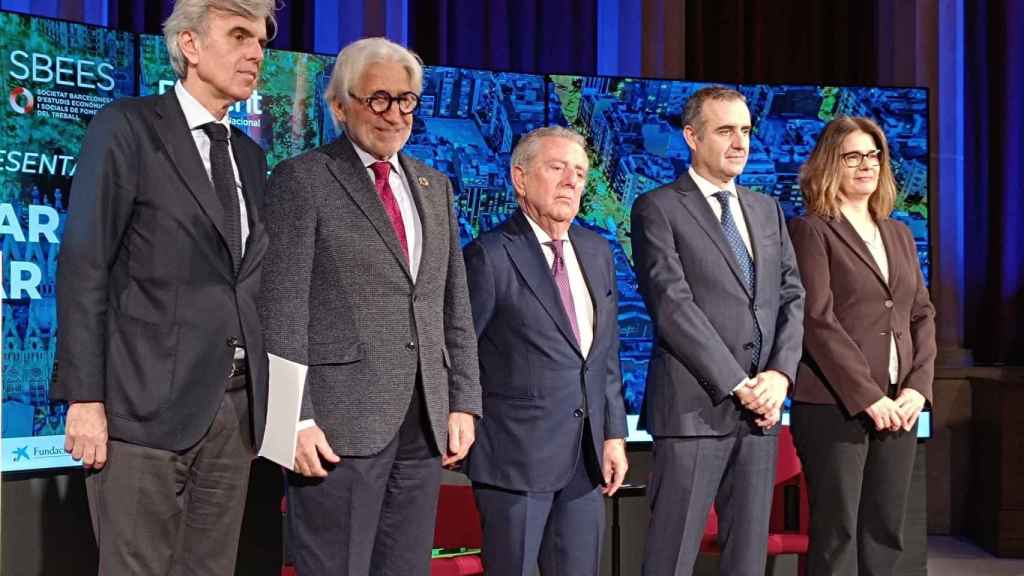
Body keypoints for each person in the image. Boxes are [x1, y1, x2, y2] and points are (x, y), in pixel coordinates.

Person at [53, 0, 277, 573]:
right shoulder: (127, 127)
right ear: (191, 46)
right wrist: (85, 398)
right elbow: (85, 266)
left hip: (232, 414)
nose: (256, 52)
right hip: (140, 407)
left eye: (261, 39)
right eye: (239, 35)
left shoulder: (251, 157)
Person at [259, 37, 481, 575]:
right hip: (336, 426)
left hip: (423, 420)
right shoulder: (302, 179)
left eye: (405, 100)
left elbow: (453, 305)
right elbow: (281, 307)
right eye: (378, 99)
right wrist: (291, 419)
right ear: (340, 106)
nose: (394, 114)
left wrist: (463, 402)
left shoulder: (436, 186)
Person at [630, 86, 805, 576]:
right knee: (671, 558)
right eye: (726, 130)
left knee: (747, 561)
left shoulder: (766, 209)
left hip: (760, 418)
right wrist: (739, 384)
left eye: (746, 130)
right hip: (692, 414)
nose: (740, 143)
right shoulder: (657, 208)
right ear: (691, 136)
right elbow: (672, 306)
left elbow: (791, 296)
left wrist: (779, 378)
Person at [462, 126, 629, 576]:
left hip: (585, 461)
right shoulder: (489, 255)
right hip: (513, 462)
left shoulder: (597, 251)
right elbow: (459, 352)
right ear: (520, 178)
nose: (572, 181)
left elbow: (604, 355)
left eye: (579, 172)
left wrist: (613, 433)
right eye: (557, 168)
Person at [787, 116, 936, 576]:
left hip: (900, 406)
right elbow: (817, 320)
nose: (866, 165)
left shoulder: (899, 234)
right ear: (831, 164)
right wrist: (869, 396)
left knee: (886, 532)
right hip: (835, 407)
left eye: (874, 155)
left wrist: (916, 389)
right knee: (838, 534)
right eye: (853, 156)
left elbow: (921, 314)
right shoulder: (811, 230)